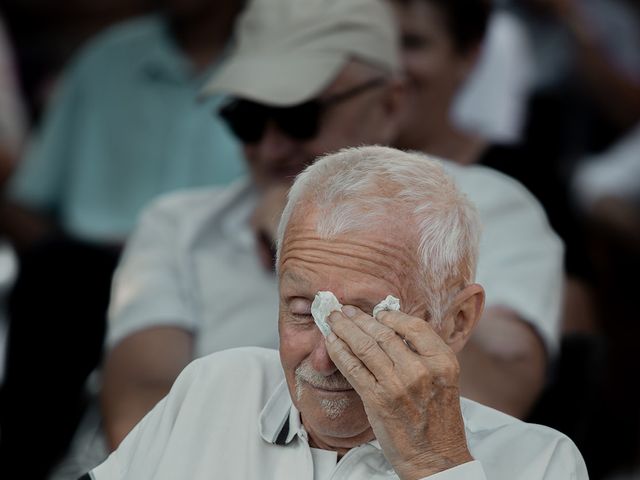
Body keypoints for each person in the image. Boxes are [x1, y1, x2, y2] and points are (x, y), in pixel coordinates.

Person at [97, 0, 563, 461]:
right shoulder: (178, 223)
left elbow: (497, 399)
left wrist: (336, 252)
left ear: (390, 102)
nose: (273, 145)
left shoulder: (488, 207)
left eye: (301, 115)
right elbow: (139, 424)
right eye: (247, 119)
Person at [86, 145, 586, 480]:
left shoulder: (538, 462)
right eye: (303, 312)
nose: (324, 358)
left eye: (364, 321)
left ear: (456, 321)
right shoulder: (218, 385)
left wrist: (434, 462)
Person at [0, 1, 247, 478]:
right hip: (90, 276)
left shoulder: (281, 55)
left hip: (226, 269)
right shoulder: (106, 58)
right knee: (61, 271)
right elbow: (24, 202)